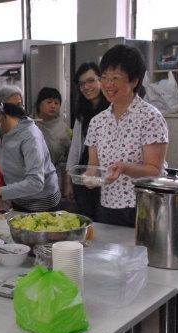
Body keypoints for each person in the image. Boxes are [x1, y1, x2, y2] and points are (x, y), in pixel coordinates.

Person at [86, 44, 178, 333]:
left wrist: (124, 168)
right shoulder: (98, 121)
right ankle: (128, 329)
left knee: (162, 275)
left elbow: (154, 170)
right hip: (109, 207)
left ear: (134, 81)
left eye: (116, 77)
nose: (108, 84)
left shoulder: (150, 116)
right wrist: (90, 177)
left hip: (147, 209)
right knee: (116, 271)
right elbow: (94, 167)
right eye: (104, 77)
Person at [0, 92, 61, 213]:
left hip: (42, 200)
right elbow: (8, 162)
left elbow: (36, 182)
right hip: (17, 197)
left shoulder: (29, 136)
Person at [64, 62, 109, 220]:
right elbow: (76, 147)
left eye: (91, 81)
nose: (86, 87)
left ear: (101, 79)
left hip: (107, 176)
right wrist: (69, 180)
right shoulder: (82, 112)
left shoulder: (112, 109)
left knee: (105, 219)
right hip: (85, 174)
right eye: (82, 83)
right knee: (87, 220)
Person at [34, 87, 72, 167]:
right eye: (49, 102)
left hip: (56, 172)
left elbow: (70, 154)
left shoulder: (64, 128)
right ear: (39, 104)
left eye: (56, 103)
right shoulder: (31, 124)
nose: (53, 106)